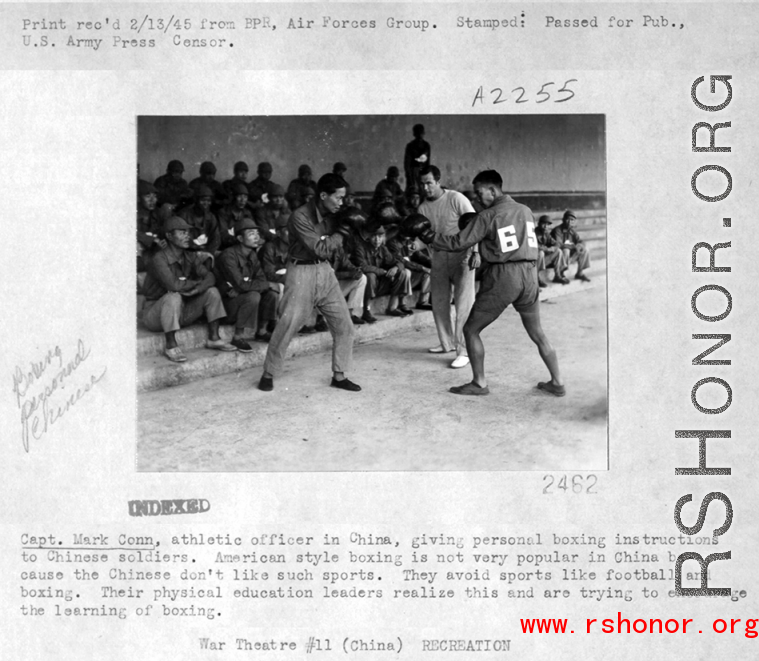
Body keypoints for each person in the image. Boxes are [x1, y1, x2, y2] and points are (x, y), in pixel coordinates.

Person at [407, 169, 564, 397]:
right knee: (537, 333)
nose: (477, 199)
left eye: (480, 193)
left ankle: (479, 383)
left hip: (504, 276)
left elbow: (458, 242)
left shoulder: (487, 216)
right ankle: (557, 382)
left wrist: (429, 236)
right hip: (530, 275)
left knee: (470, 330)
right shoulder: (525, 210)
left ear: (492, 190)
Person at [258, 173, 360, 392]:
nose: (342, 203)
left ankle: (339, 376)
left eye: (344, 199)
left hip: (325, 270)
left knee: (344, 325)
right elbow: (320, 248)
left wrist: (361, 224)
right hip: (301, 271)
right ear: (323, 195)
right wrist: (343, 231)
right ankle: (269, 372)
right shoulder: (299, 216)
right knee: (287, 324)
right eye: (338, 198)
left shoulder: (336, 213)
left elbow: (343, 243)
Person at [141, 216, 236, 362]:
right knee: (173, 296)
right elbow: (173, 286)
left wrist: (197, 290)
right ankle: (171, 345)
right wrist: (195, 283)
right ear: (169, 236)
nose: (187, 236)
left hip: (182, 309)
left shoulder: (189, 256)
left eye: (188, 232)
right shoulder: (159, 258)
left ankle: (214, 338)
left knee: (212, 291)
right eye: (182, 232)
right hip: (155, 314)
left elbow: (210, 277)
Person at [417, 164, 477, 369]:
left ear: (438, 181)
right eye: (422, 184)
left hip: (463, 256)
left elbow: (474, 225)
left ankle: (464, 351)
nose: (426, 188)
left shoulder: (456, 198)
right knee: (439, 304)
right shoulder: (423, 208)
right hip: (439, 258)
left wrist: (476, 252)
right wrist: (408, 246)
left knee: (463, 305)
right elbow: (422, 239)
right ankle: (447, 343)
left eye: (429, 183)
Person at [216, 218, 277, 348]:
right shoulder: (228, 256)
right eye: (251, 234)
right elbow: (242, 284)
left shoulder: (252, 255)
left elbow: (260, 279)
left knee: (271, 294)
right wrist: (245, 286)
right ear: (239, 238)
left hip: (239, 297)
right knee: (254, 295)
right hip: (226, 306)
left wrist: (243, 287)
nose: (256, 237)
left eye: (257, 233)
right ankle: (238, 337)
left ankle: (261, 331)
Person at [353, 225, 413, 319]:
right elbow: (363, 267)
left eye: (380, 237)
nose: (377, 240)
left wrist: (395, 268)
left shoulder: (383, 249)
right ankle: (366, 310)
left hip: (380, 283)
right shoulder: (360, 248)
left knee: (402, 272)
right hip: (366, 284)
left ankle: (392, 307)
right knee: (370, 275)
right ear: (368, 237)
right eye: (374, 236)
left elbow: (398, 262)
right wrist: (383, 272)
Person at [178, 185, 220, 256]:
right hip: (187, 252)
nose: (206, 204)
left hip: (206, 251)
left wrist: (208, 252)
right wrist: (198, 249)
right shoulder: (184, 215)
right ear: (196, 200)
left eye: (208, 201)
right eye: (203, 200)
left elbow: (216, 238)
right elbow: (183, 239)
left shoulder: (211, 217)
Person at [551, 210, 591, 282]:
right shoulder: (557, 230)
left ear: (574, 221)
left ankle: (579, 273)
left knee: (585, 249)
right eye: (567, 219)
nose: (569, 222)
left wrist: (580, 245)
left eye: (572, 220)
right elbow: (559, 245)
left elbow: (580, 240)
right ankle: (560, 273)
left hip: (568, 256)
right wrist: (574, 246)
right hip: (556, 256)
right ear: (563, 220)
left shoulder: (572, 231)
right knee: (566, 250)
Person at [217, 183, 255, 251]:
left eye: (245, 197)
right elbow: (223, 235)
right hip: (228, 248)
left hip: (244, 246)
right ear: (233, 198)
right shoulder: (223, 212)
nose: (242, 200)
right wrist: (241, 240)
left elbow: (253, 231)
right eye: (239, 196)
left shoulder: (247, 213)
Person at [535, 215, 567, 286]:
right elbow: (536, 247)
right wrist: (547, 249)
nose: (546, 226)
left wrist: (551, 248)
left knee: (558, 251)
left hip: (544, 260)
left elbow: (557, 244)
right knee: (541, 253)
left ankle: (557, 276)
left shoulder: (546, 234)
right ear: (539, 224)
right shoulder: (534, 233)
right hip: (535, 261)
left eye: (548, 225)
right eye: (544, 224)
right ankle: (536, 279)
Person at [404, 123, 431, 192]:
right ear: (414, 134)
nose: (419, 135)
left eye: (421, 132)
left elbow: (428, 162)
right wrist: (409, 177)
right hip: (413, 172)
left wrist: (427, 174)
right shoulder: (410, 146)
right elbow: (407, 163)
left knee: (424, 191)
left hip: (423, 171)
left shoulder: (426, 146)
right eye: (417, 133)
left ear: (423, 133)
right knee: (413, 191)